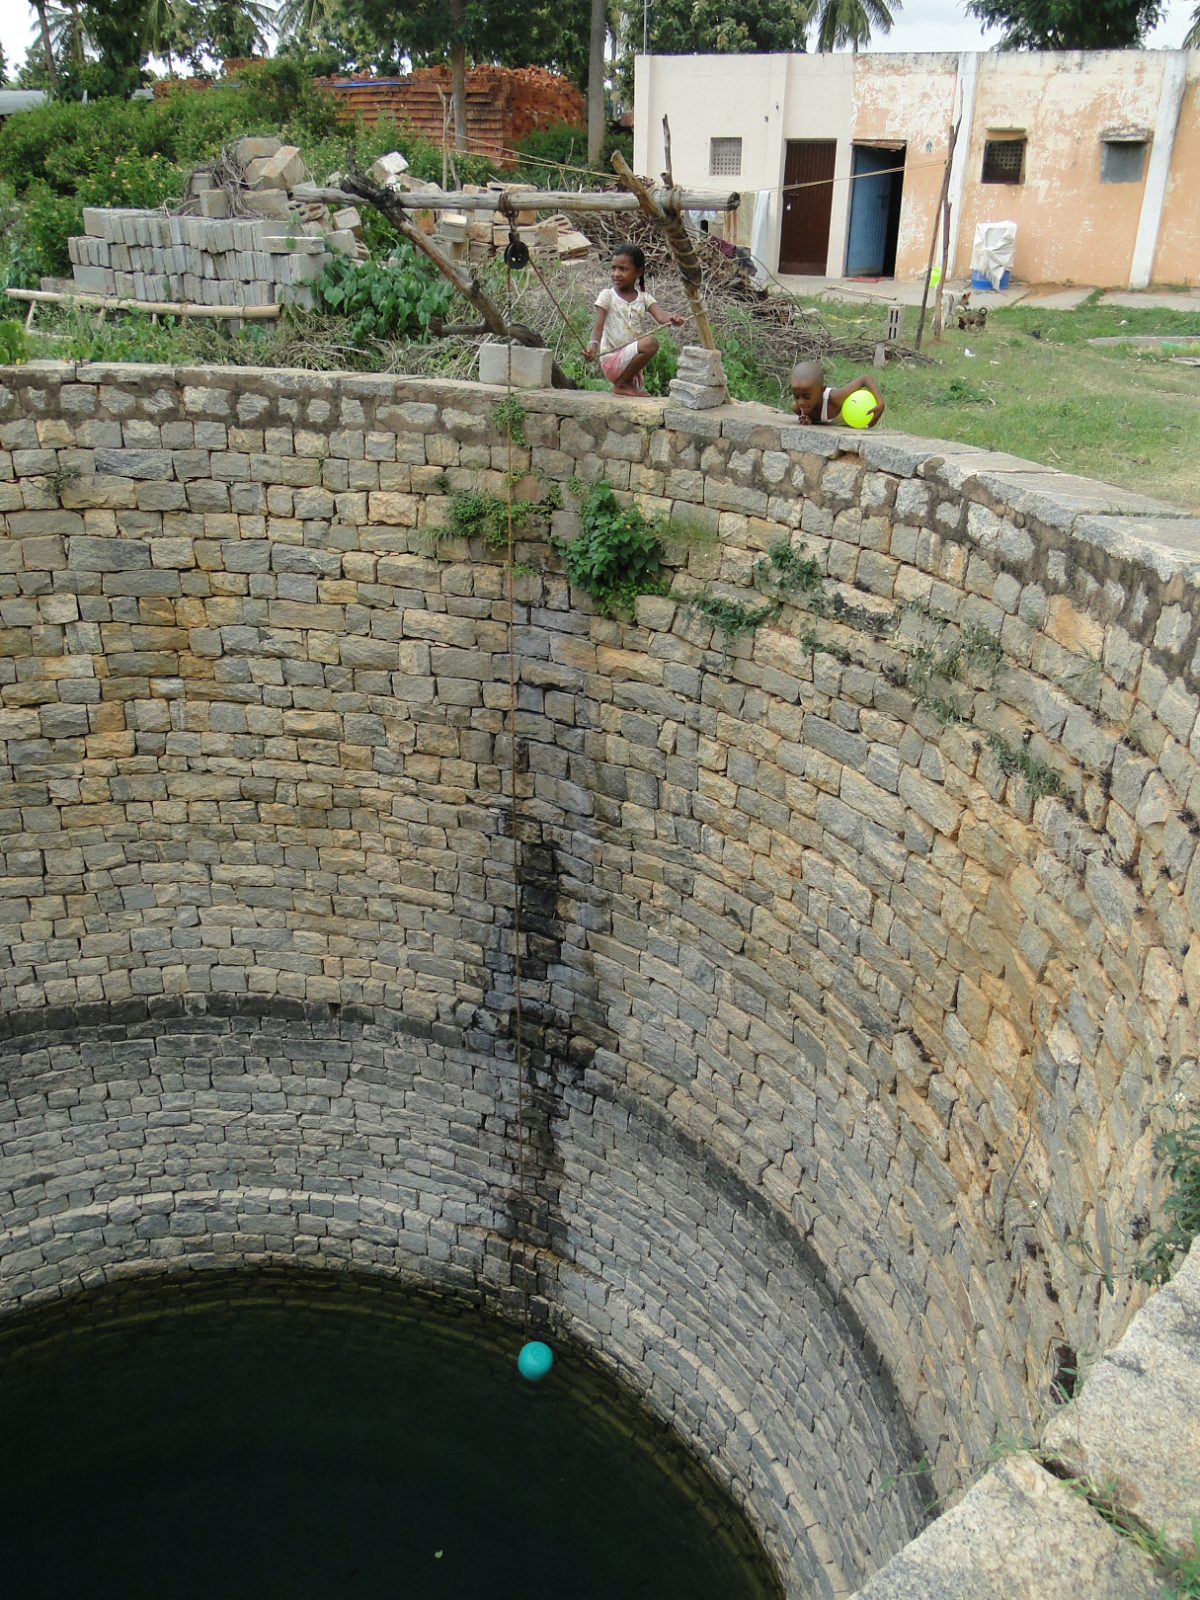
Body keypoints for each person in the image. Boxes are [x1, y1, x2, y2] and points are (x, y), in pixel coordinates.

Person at [586, 244, 685, 396]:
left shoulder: (644, 298)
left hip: (631, 366)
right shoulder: (607, 295)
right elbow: (597, 327)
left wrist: (673, 319)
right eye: (613, 268)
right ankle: (622, 384)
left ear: (638, 272)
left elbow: (661, 316)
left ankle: (625, 383)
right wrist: (592, 347)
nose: (616, 274)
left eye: (623, 269)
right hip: (612, 361)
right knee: (650, 343)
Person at [790, 361, 885, 428]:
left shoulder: (835, 398)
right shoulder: (798, 408)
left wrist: (880, 403)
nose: (801, 402)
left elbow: (865, 379)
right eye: (796, 396)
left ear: (822, 390)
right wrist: (808, 419)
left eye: (807, 397)